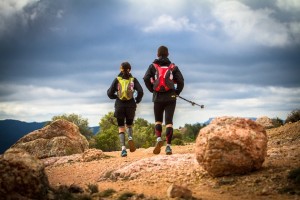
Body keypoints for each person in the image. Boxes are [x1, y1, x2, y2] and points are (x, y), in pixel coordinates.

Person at [143, 46, 184, 155]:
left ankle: (158, 139)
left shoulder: (152, 66)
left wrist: (152, 90)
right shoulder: (173, 67)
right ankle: (168, 147)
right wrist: (176, 92)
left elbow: (146, 78)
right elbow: (181, 81)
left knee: (158, 120)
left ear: (157, 54)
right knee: (169, 122)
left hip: (157, 96)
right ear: (168, 54)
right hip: (170, 96)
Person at [107, 62, 143, 157]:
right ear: (130, 69)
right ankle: (130, 137)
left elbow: (109, 93)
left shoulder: (117, 79)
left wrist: (116, 96)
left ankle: (123, 149)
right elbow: (141, 91)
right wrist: (137, 100)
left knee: (121, 127)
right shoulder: (133, 80)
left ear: (120, 69)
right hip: (131, 105)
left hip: (119, 105)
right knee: (129, 125)